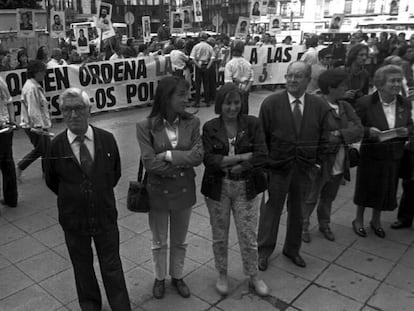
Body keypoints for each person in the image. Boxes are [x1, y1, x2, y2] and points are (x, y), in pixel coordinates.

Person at [44, 88, 131, 311]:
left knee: (111, 264)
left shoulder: (107, 139)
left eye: (78, 108)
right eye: (67, 109)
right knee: (82, 267)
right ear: (61, 113)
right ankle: (90, 305)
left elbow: (114, 173)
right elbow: (52, 181)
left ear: (89, 110)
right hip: (74, 220)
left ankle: (121, 306)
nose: (73, 115)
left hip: (104, 215)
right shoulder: (55, 146)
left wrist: (96, 191)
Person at [257, 61, 331, 270]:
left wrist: (317, 163)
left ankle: (292, 249)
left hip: (305, 169)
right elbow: (261, 138)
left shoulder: (319, 106)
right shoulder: (271, 103)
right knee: (271, 212)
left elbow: (325, 138)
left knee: (298, 212)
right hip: (277, 169)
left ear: (308, 80)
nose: (292, 80)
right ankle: (263, 251)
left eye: (298, 76)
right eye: (289, 75)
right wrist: (264, 166)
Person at [136, 76, 203, 299]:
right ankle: (159, 277)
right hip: (158, 192)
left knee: (180, 239)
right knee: (159, 240)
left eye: (188, 93)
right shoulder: (145, 126)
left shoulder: (193, 123)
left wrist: (167, 156)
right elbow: (149, 162)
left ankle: (177, 275)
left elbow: (198, 156)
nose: (187, 99)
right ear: (166, 97)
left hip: (184, 190)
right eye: (182, 95)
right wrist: (180, 164)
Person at [201, 83, 269, 296]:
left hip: (247, 186)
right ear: (220, 104)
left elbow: (261, 154)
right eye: (227, 103)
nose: (232, 107)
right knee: (219, 234)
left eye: (236, 102)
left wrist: (243, 166)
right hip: (218, 187)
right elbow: (209, 160)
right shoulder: (210, 127)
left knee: (248, 234)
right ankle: (222, 273)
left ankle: (253, 275)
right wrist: (240, 156)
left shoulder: (253, 123)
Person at [302, 69, 363, 243]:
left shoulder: (346, 106)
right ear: (331, 87)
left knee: (329, 196)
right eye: (343, 85)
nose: (346, 88)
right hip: (320, 161)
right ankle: (303, 225)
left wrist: (339, 134)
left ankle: (324, 224)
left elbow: (359, 129)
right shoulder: (316, 105)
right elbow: (316, 134)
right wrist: (339, 134)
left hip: (340, 160)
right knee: (311, 196)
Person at [352, 65, 413, 238]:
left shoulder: (404, 102)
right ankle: (358, 220)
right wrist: (368, 131)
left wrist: (407, 131)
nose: (396, 84)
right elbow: (355, 127)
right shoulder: (366, 103)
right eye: (392, 81)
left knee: (386, 189)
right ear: (380, 84)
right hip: (372, 154)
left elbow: (409, 124)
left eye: (398, 80)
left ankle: (376, 220)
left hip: (394, 155)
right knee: (365, 188)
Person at [17, 60, 51, 181]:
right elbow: (33, 109)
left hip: (35, 124)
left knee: (44, 149)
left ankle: (46, 172)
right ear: (36, 73)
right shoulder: (32, 88)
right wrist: (39, 127)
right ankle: (21, 166)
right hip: (34, 125)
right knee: (43, 149)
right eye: (43, 72)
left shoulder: (33, 86)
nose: (44, 74)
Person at [0, 76, 18, 208]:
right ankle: (11, 198)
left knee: (7, 162)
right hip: (5, 125)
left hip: (4, 126)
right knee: (7, 162)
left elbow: (9, 102)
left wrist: (11, 122)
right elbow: (9, 102)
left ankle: (11, 198)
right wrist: (11, 121)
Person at [224, 40, 253, 115]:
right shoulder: (248, 63)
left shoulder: (229, 64)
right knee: (245, 109)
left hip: (234, 90)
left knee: (235, 110)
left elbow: (228, 82)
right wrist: (246, 89)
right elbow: (251, 79)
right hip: (245, 88)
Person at [190, 32, 216, 107]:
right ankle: (207, 101)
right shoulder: (209, 47)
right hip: (206, 65)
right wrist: (208, 66)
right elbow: (212, 58)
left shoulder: (196, 46)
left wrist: (198, 65)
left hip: (199, 65)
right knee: (206, 84)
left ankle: (197, 102)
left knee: (198, 85)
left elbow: (193, 58)